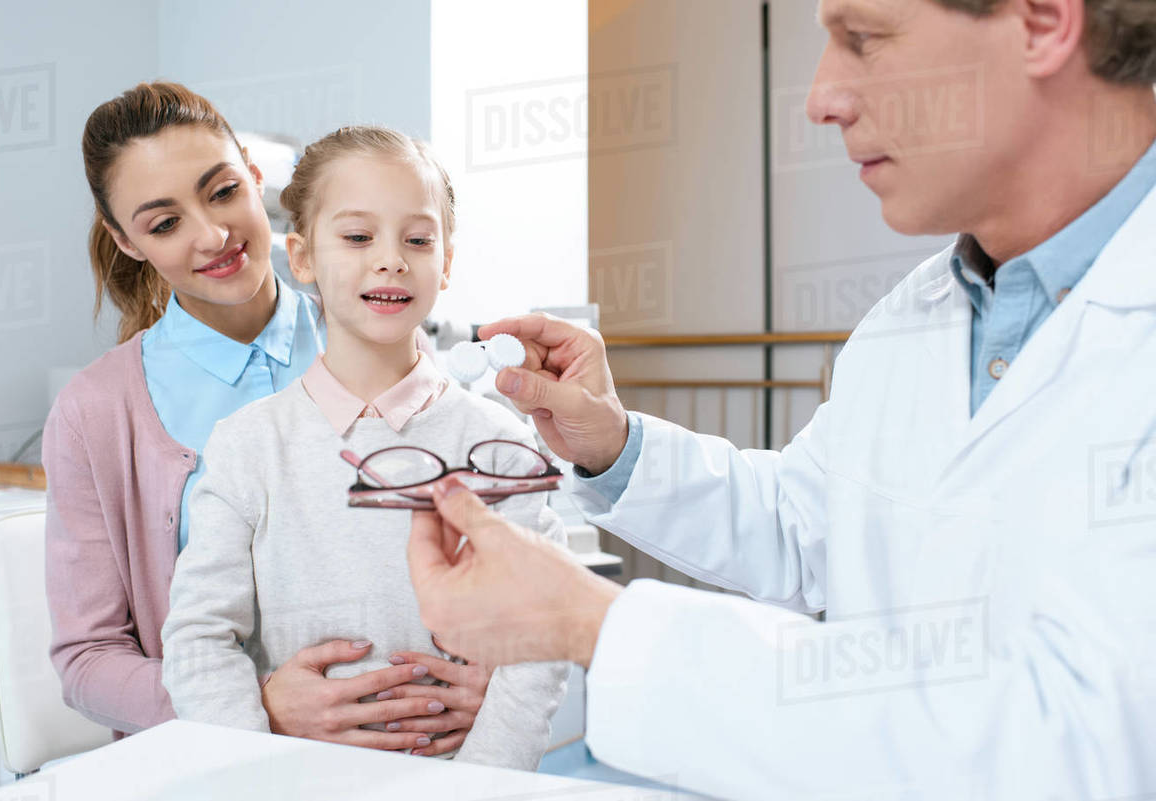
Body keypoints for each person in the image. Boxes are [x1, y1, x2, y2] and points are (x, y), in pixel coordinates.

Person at [404, 0, 1156, 798]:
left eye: (863, 38)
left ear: (1041, 22)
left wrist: (594, 624)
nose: (820, 97)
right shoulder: (921, 311)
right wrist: (613, 445)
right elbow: (807, 524)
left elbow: (1086, 743)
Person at [44, 84, 487, 752]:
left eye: (222, 191)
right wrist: (253, 707)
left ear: (254, 174)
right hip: (213, 763)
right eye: (164, 223)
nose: (213, 234)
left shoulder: (388, 338)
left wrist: (487, 677)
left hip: (408, 757)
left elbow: (468, 563)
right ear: (126, 241)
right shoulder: (96, 412)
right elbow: (88, 660)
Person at [159, 125, 569, 767]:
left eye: (418, 239)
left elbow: (539, 638)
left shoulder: (503, 446)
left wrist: (482, 781)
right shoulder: (247, 446)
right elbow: (198, 637)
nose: (391, 259)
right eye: (357, 237)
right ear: (301, 257)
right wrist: (255, 772)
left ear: (448, 262)